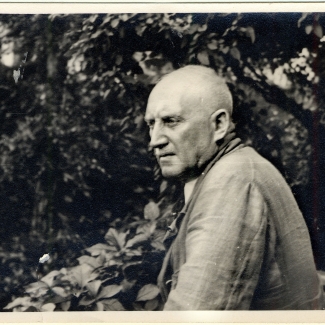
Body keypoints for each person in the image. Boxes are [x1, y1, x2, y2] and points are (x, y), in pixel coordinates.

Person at [144, 65, 324, 310]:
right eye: (151, 124)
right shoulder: (232, 170)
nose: (154, 140)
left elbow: (194, 312)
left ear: (219, 124)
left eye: (171, 121)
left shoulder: (234, 180)